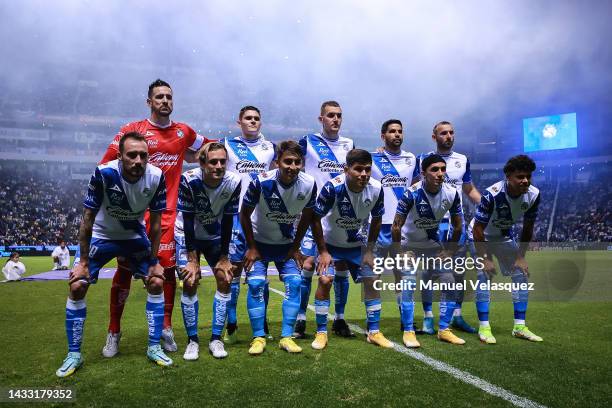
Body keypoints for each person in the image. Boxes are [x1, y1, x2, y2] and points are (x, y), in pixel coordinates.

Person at [98, 79, 210, 358]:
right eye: (159, 97)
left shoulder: (183, 132)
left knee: (166, 271)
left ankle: (166, 327)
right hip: (134, 215)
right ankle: (114, 331)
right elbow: (104, 166)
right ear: (149, 101)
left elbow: (209, 148)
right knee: (124, 270)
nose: (164, 101)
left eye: (168, 97)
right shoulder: (132, 131)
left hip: (168, 216)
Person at [56, 132, 168, 378]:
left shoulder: (157, 176)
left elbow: (157, 225)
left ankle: (154, 347)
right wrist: (83, 262)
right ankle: (74, 354)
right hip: (101, 236)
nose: (138, 160)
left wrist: (153, 261)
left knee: (157, 281)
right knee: (77, 286)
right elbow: (86, 221)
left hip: (133, 236)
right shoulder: (104, 173)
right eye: (132, 155)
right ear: (120, 156)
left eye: (143, 155)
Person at [240, 140, 328, 355]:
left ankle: (286, 337)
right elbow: (244, 214)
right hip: (259, 244)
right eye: (287, 161)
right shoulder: (260, 182)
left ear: (302, 163)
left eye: (297, 162)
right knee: (256, 284)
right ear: (277, 162)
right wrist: (251, 247)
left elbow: (307, 217)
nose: (292, 167)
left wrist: (295, 247)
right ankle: (258, 337)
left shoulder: (309, 183)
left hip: (285, 245)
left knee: (296, 282)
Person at [310, 149, 392, 350]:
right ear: (346, 169)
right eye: (358, 169)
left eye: (367, 169)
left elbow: (377, 219)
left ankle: (373, 332)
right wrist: (323, 252)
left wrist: (370, 251)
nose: (364, 174)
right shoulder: (332, 188)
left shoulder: (376, 188)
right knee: (325, 279)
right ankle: (321, 332)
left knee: (373, 278)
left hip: (357, 246)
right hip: (330, 245)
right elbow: (315, 218)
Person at [294, 100, 355, 339]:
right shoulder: (307, 142)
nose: (335, 119)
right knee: (308, 264)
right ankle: (300, 318)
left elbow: (359, 168)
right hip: (313, 215)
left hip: (341, 217)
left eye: (339, 115)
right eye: (330, 115)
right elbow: (290, 162)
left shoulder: (349, 144)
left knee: (340, 267)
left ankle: (339, 319)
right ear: (321, 119)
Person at [174, 142, 240, 360]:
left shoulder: (234, 181)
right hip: (188, 233)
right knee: (190, 280)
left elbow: (229, 220)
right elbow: (189, 220)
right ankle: (192, 341)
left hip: (215, 236)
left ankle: (216, 339)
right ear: (202, 163)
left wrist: (224, 257)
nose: (219, 166)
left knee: (225, 278)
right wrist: (192, 260)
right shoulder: (189, 180)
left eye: (223, 161)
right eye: (213, 161)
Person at [414, 121, 481, 334]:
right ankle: (428, 317)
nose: (449, 136)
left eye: (452, 132)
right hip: (431, 226)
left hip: (456, 226)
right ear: (434, 137)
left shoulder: (462, 160)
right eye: (444, 133)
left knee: (458, 273)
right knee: (428, 273)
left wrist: (488, 205)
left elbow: (469, 190)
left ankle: (456, 316)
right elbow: (415, 188)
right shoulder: (422, 159)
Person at [392, 154, 466, 346]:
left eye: (443, 169)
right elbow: (396, 226)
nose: (440, 173)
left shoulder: (451, 193)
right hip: (409, 246)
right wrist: (400, 253)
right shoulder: (411, 193)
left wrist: (449, 251)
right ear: (423, 173)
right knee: (408, 283)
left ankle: (444, 329)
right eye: (435, 170)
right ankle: (408, 330)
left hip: (433, 246)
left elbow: (458, 226)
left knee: (449, 280)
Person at [471, 155, 543, 344]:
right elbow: (477, 229)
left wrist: (521, 257)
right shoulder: (491, 194)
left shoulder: (534, 194)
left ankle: (519, 326)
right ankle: (484, 327)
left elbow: (528, 227)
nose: (525, 180)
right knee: (484, 274)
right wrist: (485, 259)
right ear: (508, 177)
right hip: (481, 236)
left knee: (520, 273)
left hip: (503, 236)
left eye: (528, 176)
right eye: (520, 177)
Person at [222, 106, 276, 344]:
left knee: (260, 275)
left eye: (256, 119)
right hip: (235, 216)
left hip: (261, 218)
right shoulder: (227, 145)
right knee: (233, 272)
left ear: (260, 123)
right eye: (248, 118)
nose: (252, 121)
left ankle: (262, 323)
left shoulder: (270, 148)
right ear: (239, 122)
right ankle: (231, 323)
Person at [369, 119, 417, 332]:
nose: (397, 134)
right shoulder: (373, 158)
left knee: (403, 275)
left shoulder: (411, 159)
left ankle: (405, 318)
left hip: (403, 227)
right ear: (383, 135)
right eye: (392, 131)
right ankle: (373, 324)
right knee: (374, 276)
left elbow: (417, 186)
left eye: (400, 131)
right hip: (378, 225)